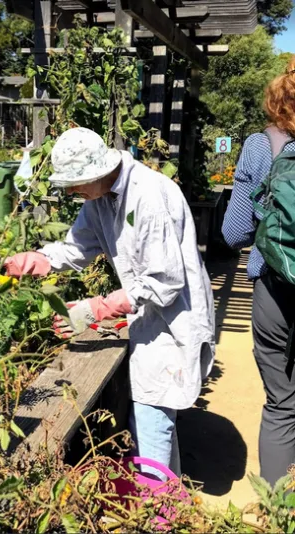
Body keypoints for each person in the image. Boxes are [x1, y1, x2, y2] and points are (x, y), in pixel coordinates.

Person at [5, 127, 215, 476]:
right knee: (155, 414)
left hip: (174, 318)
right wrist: (38, 260)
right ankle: (169, 500)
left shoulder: (147, 195)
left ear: (99, 171)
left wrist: (97, 308)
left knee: (151, 415)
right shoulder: (100, 198)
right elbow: (78, 246)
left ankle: (158, 513)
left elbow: (165, 280)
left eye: (76, 183)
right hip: (149, 319)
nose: (73, 192)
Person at [222, 57, 295, 486]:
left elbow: (233, 234)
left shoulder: (260, 146)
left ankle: (279, 511)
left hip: (275, 288)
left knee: (283, 404)